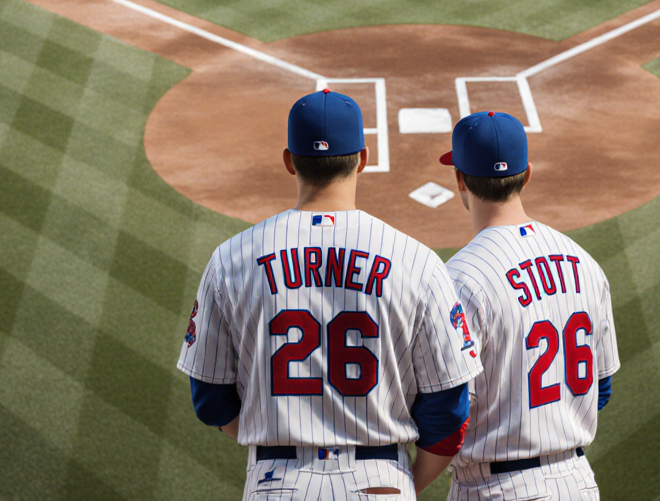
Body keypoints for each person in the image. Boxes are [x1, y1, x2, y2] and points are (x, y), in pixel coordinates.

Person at [178, 89, 482, 498]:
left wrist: (276, 441)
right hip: (381, 481)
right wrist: (408, 479)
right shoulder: (417, 261)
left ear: (289, 161)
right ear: (363, 159)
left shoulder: (231, 258)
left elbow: (210, 399)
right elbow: (449, 407)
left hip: (276, 484)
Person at [439, 111, 620, 501]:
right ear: (527, 173)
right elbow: (600, 387)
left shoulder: (460, 277)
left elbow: (450, 411)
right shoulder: (584, 263)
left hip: (495, 488)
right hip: (577, 482)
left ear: (460, 179)